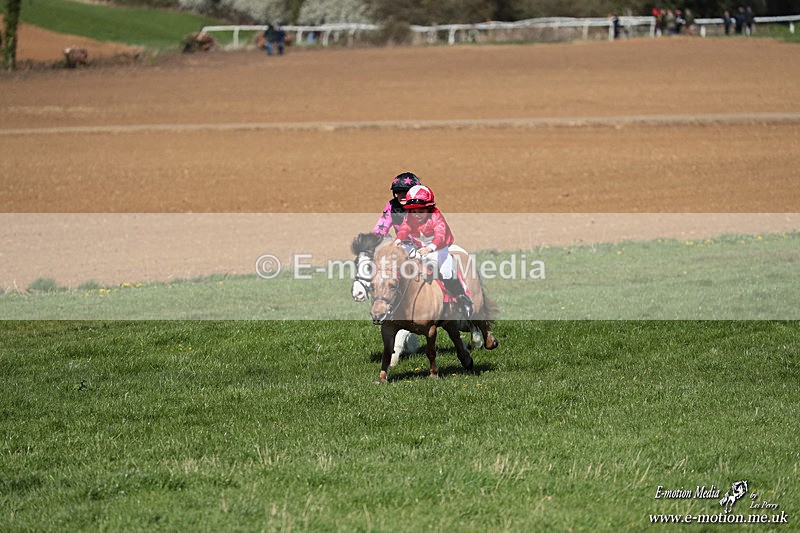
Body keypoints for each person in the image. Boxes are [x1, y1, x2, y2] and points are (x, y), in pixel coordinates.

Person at [394, 185, 473, 318]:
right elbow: (404, 228)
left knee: (446, 271)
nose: (417, 214)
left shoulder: (436, 215)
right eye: (413, 211)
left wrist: (430, 248)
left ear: (429, 208)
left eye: (421, 210)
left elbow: (440, 236)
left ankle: (462, 298)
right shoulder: (409, 217)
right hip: (419, 248)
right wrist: (398, 240)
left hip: (439, 248)